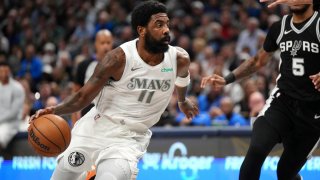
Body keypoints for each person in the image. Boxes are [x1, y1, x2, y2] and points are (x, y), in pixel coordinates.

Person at [30, 1, 199, 180]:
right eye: (159, 25)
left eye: (167, 24)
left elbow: (182, 79)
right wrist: (55, 110)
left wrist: (182, 100)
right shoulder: (117, 59)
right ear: (141, 30)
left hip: (129, 138)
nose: (166, 30)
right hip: (97, 126)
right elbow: (82, 97)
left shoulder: (179, 59)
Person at [201, 2, 320, 180]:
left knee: (285, 173)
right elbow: (257, 61)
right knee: (257, 150)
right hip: (282, 102)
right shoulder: (279, 27)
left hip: (313, 112)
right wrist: (227, 78)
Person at [72, 29, 113, 123]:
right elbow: (75, 94)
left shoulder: (119, 66)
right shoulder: (84, 65)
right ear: (96, 44)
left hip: (110, 113)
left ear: (112, 43)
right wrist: (75, 123)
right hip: (88, 113)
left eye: (108, 42)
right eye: (102, 43)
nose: (105, 46)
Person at [0, 61, 25, 158]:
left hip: (11, 123)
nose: (3, 73)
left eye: (5, 71)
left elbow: (13, 113)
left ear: (9, 71)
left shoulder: (17, 88)